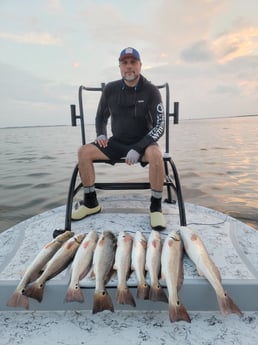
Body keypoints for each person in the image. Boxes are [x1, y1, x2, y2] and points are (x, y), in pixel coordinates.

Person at [72, 47, 166, 230]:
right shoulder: (110, 89)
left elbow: (159, 126)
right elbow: (101, 117)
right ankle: (91, 204)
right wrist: (101, 134)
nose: (129, 67)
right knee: (84, 152)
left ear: (140, 65)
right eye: (125, 63)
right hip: (116, 142)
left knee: (156, 154)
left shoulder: (151, 91)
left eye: (133, 62)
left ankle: (156, 208)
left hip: (143, 144)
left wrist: (139, 148)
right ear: (120, 66)